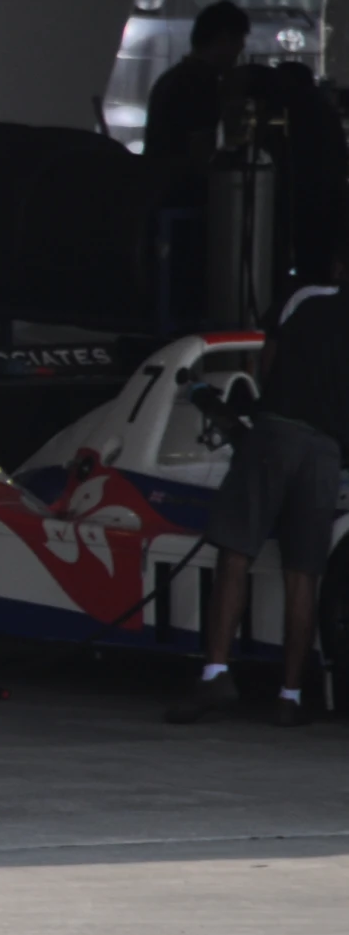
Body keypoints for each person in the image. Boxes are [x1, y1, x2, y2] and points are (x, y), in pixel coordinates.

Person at [167, 248, 349, 727]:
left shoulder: (306, 297)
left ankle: (216, 675)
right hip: (327, 452)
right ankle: (289, 696)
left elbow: (266, 362)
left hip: (276, 434)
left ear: (337, 267)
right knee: (303, 574)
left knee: (235, 554)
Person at [144, 0, 249, 190]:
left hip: (158, 189)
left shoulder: (172, 77)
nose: (238, 54)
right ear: (224, 39)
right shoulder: (199, 84)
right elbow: (199, 155)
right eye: (238, 46)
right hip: (180, 194)